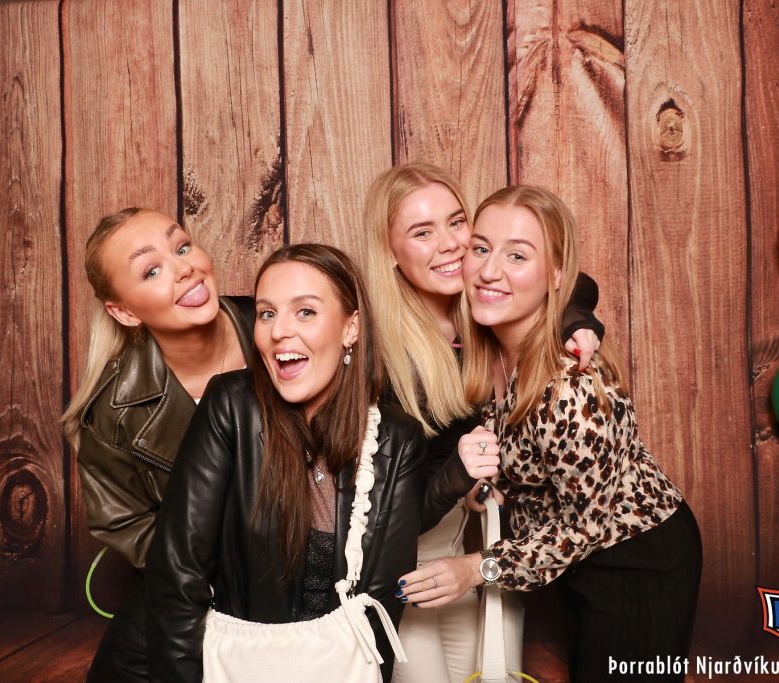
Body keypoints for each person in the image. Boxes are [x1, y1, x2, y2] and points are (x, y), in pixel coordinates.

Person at [398, 185, 702, 682]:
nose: (489, 271)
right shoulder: (489, 348)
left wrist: (475, 569)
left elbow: (583, 528)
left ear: (556, 275)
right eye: (481, 248)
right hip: (569, 562)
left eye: (517, 255)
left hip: (635, 560)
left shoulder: (571, 389)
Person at [360, 163, 604, 683]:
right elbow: (381, 515)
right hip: (404, 561)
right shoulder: (376, 351)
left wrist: (576, 320)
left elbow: (569, 280)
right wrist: (457, 475)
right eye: (422, 232)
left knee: (493, 674)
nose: (449, 244)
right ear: (389, 251)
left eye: (456, 222)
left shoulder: (483, 306)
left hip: (473, 548)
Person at [145, 244, 428, 683]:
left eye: (305, 312)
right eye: (266, 313)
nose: (279, 331)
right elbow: (177, 576)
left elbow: (378, 606)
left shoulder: (396, 439)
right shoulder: (231, 406)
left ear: (351, 327)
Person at [60, 207, 254, 682]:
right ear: (124, 312)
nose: (184, 267)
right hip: (198, 589)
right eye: (151, 270)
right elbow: (125, 522)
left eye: (182, 246)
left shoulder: (276, 328)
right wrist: (210, 574)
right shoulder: (113, 412)